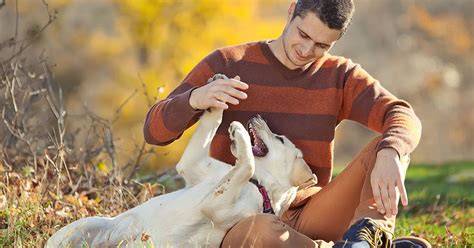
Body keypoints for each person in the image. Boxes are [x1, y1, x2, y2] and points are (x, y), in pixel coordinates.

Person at [144, 0, 431, 247]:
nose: (306, 50)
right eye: (302, 34)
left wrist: (392, 152)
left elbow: (401, 113)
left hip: (310, 213)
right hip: (236, 218)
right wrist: (195, 98)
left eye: (321, 45)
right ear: (292, 10)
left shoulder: (339, 75)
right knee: (263, 233)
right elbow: (154, 132)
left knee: (390, 143)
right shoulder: (229, 62)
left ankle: (369, 237)